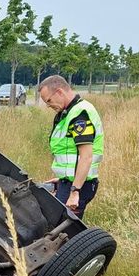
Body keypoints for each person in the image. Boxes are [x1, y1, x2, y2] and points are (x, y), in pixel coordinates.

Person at [37, 75, 103, 218]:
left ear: (60, 92)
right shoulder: (67, 113)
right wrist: (63, 178)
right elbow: (70, 154)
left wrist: (74, 192)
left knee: (64, 231)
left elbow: (86, 157)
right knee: (57, 225)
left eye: (48, 100)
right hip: (71, 182)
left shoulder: (80, 114)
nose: (48, 106)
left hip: (79, 186)